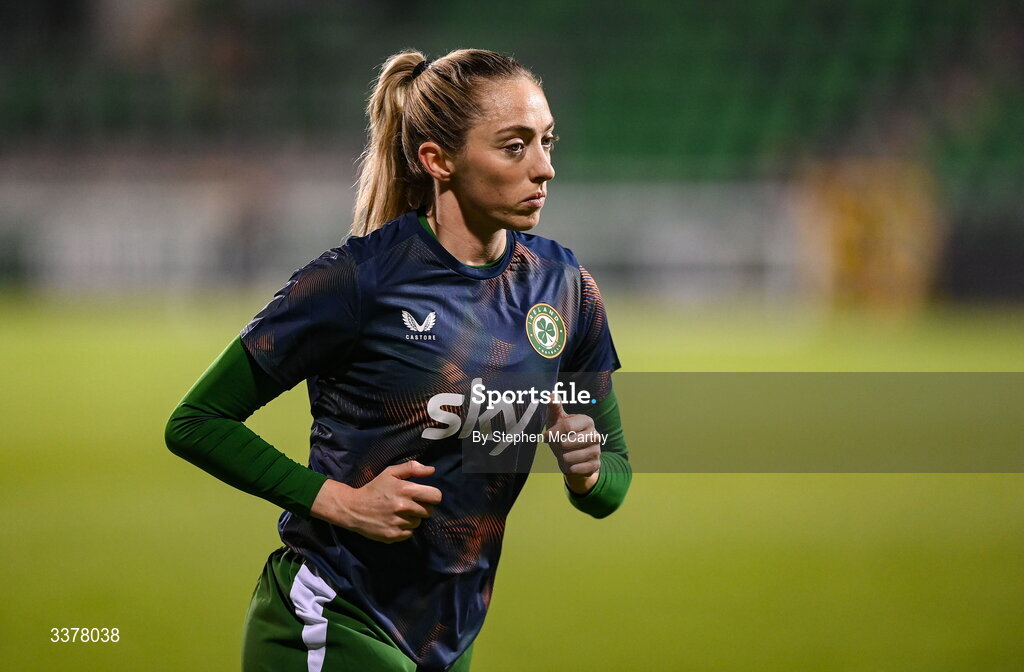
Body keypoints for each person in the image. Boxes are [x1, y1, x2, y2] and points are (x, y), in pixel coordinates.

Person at [165, 48, 630, 672]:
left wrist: (586, 472)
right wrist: (338, 500)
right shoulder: (359, 282)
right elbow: (196, 422)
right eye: (514, 146)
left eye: (547, 141)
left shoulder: (564, 289)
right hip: (335, 617)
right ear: (437, 160)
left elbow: (612, 480)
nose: (544, 168)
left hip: (449, 635)